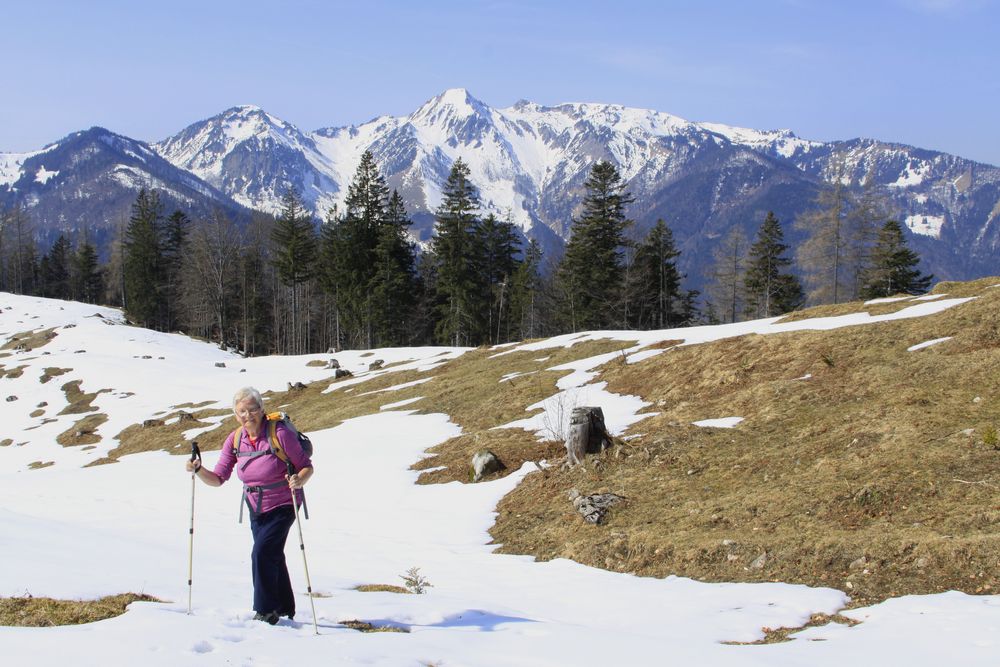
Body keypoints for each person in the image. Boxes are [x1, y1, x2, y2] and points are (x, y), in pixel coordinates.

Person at [186, 386, 314, 625]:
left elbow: (306, 466)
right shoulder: (235, 440)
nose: (247, 415)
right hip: (255, 506)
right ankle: (285, 607)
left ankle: (266, 611)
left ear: (262, 410)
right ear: (236, 415)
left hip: (285, 502)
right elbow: (218, 478)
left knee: (262, 552)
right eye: (241, 411)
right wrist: (198, 470)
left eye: (252, 409)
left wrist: (299, 479)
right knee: (271, 553)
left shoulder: (280, 434)